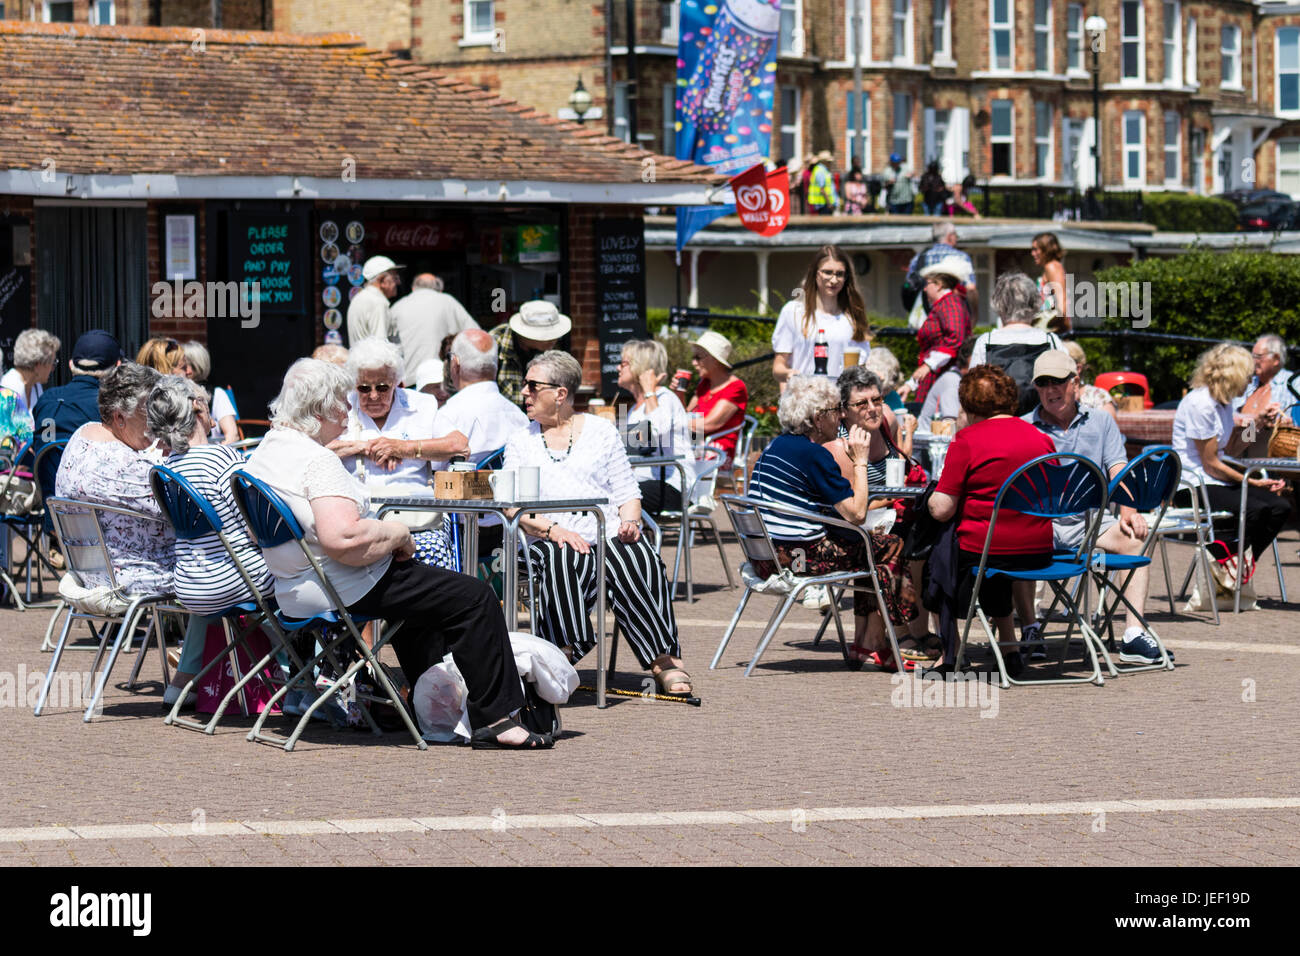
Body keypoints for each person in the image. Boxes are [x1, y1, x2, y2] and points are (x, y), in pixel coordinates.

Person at [243, 358, 548, 748]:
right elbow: (345, 539)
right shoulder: (317, 460)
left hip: (293, 585)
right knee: (475, 597)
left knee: (426, 602)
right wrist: (399, 533)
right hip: (342, 582)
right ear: (320, 409)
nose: (349, 407)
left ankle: (433, 713)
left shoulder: (269, 449)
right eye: (342, 399)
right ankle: (499, 720)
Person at [502, 351, 693, 696]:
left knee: (637, 555)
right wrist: (554, 530)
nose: (524, 393)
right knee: (562, 555)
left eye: (532, 386)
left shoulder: (602, 431)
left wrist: (631, 521)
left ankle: (662, 658)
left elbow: (628, 493)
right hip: (547, 538)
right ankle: (563, 650)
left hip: (603, 533)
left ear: (560, 393)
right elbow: (513, 508)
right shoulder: (521, 441)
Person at [749, 375, 917, 667]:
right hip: (798, 559)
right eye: (833, 410)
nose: (840, 415)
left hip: (766, 555)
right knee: (889, 545)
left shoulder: (778, 446)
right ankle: (884, 638)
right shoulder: (814, 455)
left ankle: (866, 643)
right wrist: (861, 460)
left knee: (868, 546)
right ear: (817, 418)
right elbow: (857, 513)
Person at [1018, 350, 1164, 664]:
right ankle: (1030, 628)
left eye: (1057, 381)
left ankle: (1133, 635)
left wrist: (1128, 510)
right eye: (1042, 383)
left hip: (1089, 523)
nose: (1050, 389)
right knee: (1012, 541)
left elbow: (1118, 470)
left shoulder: (1100, 422)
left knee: (1136, 537)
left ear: (1076, 382)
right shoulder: (1024, 426)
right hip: (1037, 525)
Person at [146, 374, 277, 710]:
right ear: (197, 408)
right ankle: (304, 678)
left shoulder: (165, 470)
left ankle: (183, 682)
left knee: (216, 573)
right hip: (239, 583)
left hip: (190, 585)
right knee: (303, 573)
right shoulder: (225, 460)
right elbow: (258, 526)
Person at [927, 365, 1056, 677]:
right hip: (1038, 550)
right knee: (991, 561)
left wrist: (928, 497)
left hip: (987, 547)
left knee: (938, 549)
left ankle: (950, 652)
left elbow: (943, 508)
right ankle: (1009, 647)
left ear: (968, 404)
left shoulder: (968, 440)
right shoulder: (1041, 439)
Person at [327, 339, 466, 569]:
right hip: (360, 523)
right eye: (364, 388)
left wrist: (403, 448)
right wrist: (366, 447)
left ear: (397, 383)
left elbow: (459, 445)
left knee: (432, 554)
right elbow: (313, 450)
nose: (373, 396)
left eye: (382, 388)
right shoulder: (343, 407)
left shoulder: (421, 405)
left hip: (416, 522)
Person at [54, 362, 174, 596]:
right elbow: (183, 509)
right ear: (120, 418)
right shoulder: (124, 465)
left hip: (89, 573)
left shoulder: (82, 435)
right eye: (149, 413)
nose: (156, 423)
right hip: (135, 575)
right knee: (216, 564)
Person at [1172, 343, 1291, 567]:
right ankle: (1228, 564)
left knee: (1279, 507)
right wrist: (1253, 482)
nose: (1250, 381)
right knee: (1255, 509)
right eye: (1247, 376)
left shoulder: (1223, 404)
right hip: (1194, 484)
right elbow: (1211, 465)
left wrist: (1258, 423)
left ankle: (1240, 565)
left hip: (1213, 480)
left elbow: (1233, 448)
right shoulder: (1201, 404)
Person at [31, 330, 124, 566]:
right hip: (102, 522)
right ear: (117, 366)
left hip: (55, 519)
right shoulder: (109, 405)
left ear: (72, 364)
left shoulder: (46, 400)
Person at [772, 245, 872, 388]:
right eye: (827, 272)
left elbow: (861, 368)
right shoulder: (793, 311)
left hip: (839, 401)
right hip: (804, 397)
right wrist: (789, 374)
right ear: (815, 274)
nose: (833, 280)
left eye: (839, 274)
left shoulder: (853, 316)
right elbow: (778, 368)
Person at [619, 339, 696, 515]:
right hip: (643, 483)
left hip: (674, 486)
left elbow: (658, 429)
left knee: (620, 498)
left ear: (640, 367)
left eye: (623, 363)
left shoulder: (664, 398)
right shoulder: (633, 409)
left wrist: (649, 391)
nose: (618, 368)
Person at [970, 270, 1064, 413]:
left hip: (999, 425)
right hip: (1041, 426)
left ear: (998, 304)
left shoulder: (985, 341)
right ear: (1035, 303)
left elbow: (972, 394)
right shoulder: (1050, 340)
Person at [901, 259, 974, 407]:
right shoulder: (945, 304)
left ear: (939, 285)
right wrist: (911, 384)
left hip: (947, 380)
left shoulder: (951, 303)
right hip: (938, 377)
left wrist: (928, 365)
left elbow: (956, 339)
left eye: (927, 284)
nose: (925, 289)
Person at [391, 273, 479, 388]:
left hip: (408, 380)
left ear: (413, 288)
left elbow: (388, 343)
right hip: (440, 378)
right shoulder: (448, 301)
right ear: (440, 289)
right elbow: (476, 334)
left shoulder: (397, 307)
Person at [685, 330, 748, 466]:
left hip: (718, 451)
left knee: (671, 456)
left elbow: (709, 424)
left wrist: (673, 424)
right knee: (660, 450)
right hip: (696, 443)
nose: (694, 363)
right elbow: (686, 413)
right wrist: (678, 391)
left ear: (714, 359)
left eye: (698, 357)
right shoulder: (704, 383)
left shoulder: (735, 387)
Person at [491, 300, 571, 408]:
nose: (554, 339)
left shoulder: (552, 350)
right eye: (547, 336)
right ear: (525, 335)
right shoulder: (495, 344)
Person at [904, 221, 979, 324]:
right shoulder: (962, 258)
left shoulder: (918, 259)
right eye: (956, 235)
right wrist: (973, 317)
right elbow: (971, 288)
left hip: (926, 319)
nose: (956, 238)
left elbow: (909, 287)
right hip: (955, 317)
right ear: (950, 237)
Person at [1235, 334, 1297, 429]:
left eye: (1258, 356)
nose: (1253, 360)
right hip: (1241, 441)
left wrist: (1290, 425)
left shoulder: (1293, 383)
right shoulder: (1248, 383)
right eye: (1252, 356)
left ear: (1276, 359)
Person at [182, 341, 239, 444]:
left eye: (183, 365)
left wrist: (214, 454)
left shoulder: (217, 394)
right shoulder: (175, 394)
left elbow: (232, 436)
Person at [346, 255, 404, 346]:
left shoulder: (360, 298)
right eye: (394, 278)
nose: (398, 282)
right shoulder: (378, 303)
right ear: (382, 281)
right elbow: (380, 347)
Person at [2, 329, 59, 418]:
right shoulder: (9, 389)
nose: (52, 368)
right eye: (52, 363)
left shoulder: (36, 386)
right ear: (38, 365)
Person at [919, 336, 974, 423]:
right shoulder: (953, 383)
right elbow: (951, 425)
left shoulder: (959, 379)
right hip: (931, 435)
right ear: (970, 359)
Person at [1062, 340, 1117, 416]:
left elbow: (1109, 426)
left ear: (1078, 368)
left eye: (1061, 365)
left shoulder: (1098, 397)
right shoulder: (1052, 396)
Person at [1030, 231, 1070, 332]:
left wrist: (1062, 330)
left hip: (1054, 330)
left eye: (1036, 249)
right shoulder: (1050, 267)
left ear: (1046, 250)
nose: (1032, 253)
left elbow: (1062, 301)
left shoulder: (1052, 267)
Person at [807, 150, 839, 215]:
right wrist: (829, 203)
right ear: (824, 162)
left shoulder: (823, 170)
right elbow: (822, 189)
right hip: (824, 205)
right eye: (828, 161)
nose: (830, 163)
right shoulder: (820, 171)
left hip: (825, 204)